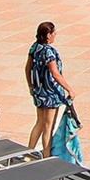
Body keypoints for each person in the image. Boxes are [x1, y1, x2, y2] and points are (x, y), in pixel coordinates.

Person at [25, 21, 74, 157]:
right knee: (48, 126)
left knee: (39, 123)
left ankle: (28, 152)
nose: (55, 35)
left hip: (39, 92)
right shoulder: (48, 52)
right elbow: (55, 73)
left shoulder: (34, 48)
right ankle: (46, 156)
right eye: (53, 33)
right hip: (51, 94)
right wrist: (69, 89)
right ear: (48, 35)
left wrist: (31, 86)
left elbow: (27, 68)